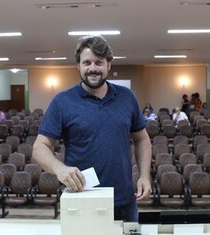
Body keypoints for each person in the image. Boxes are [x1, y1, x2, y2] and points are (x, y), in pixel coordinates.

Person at [32, 35, 152, 222]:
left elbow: (142, 139)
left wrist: (144, 176)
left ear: (109, 65)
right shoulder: (62, 101)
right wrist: (59, 169)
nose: (93, 68)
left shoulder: (126, 97)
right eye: (87, 62)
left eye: (99, 62)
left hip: (124, 201)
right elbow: (40, 147)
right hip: (81, 200)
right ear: (78, 66)